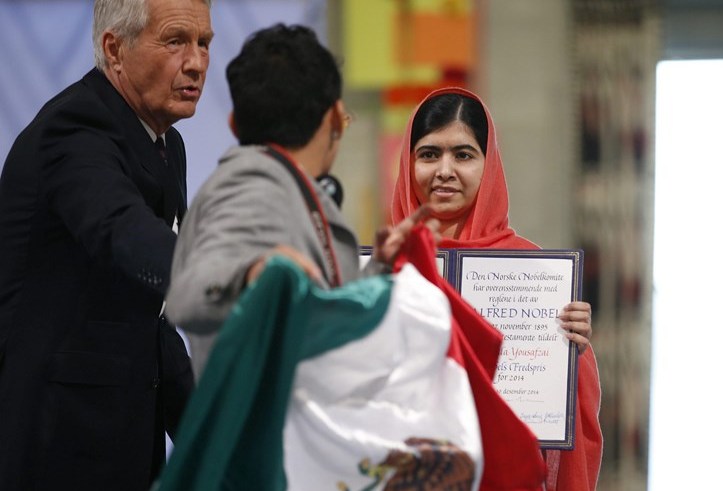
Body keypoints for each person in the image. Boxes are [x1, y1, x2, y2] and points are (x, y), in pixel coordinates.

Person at [0, 0, 212, 489]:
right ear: (114, 50)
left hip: (124, 445)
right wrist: (230, 282)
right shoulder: (74, 128)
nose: (197, 62)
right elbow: (123, 231)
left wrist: (209, 428)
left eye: (204, 43)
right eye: (176, 40)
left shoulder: (165, 143)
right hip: (54, 446)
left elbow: (147, 315)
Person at [165, 24, 434, 379]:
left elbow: (314, 314)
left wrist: (378, 268)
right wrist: (249, 274)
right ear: (336, 117)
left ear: (234, 124)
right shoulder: (251, 186)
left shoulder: (287, 185)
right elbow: (188, 296)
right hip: (270, 432)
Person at [391, 87, 603, 491]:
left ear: (488, 166)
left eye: (463, 154)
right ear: (408, 161)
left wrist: (570, 351)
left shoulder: (535, 273)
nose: (444, 170)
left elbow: (559, 419)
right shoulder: (382, 268)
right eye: (429, 153)